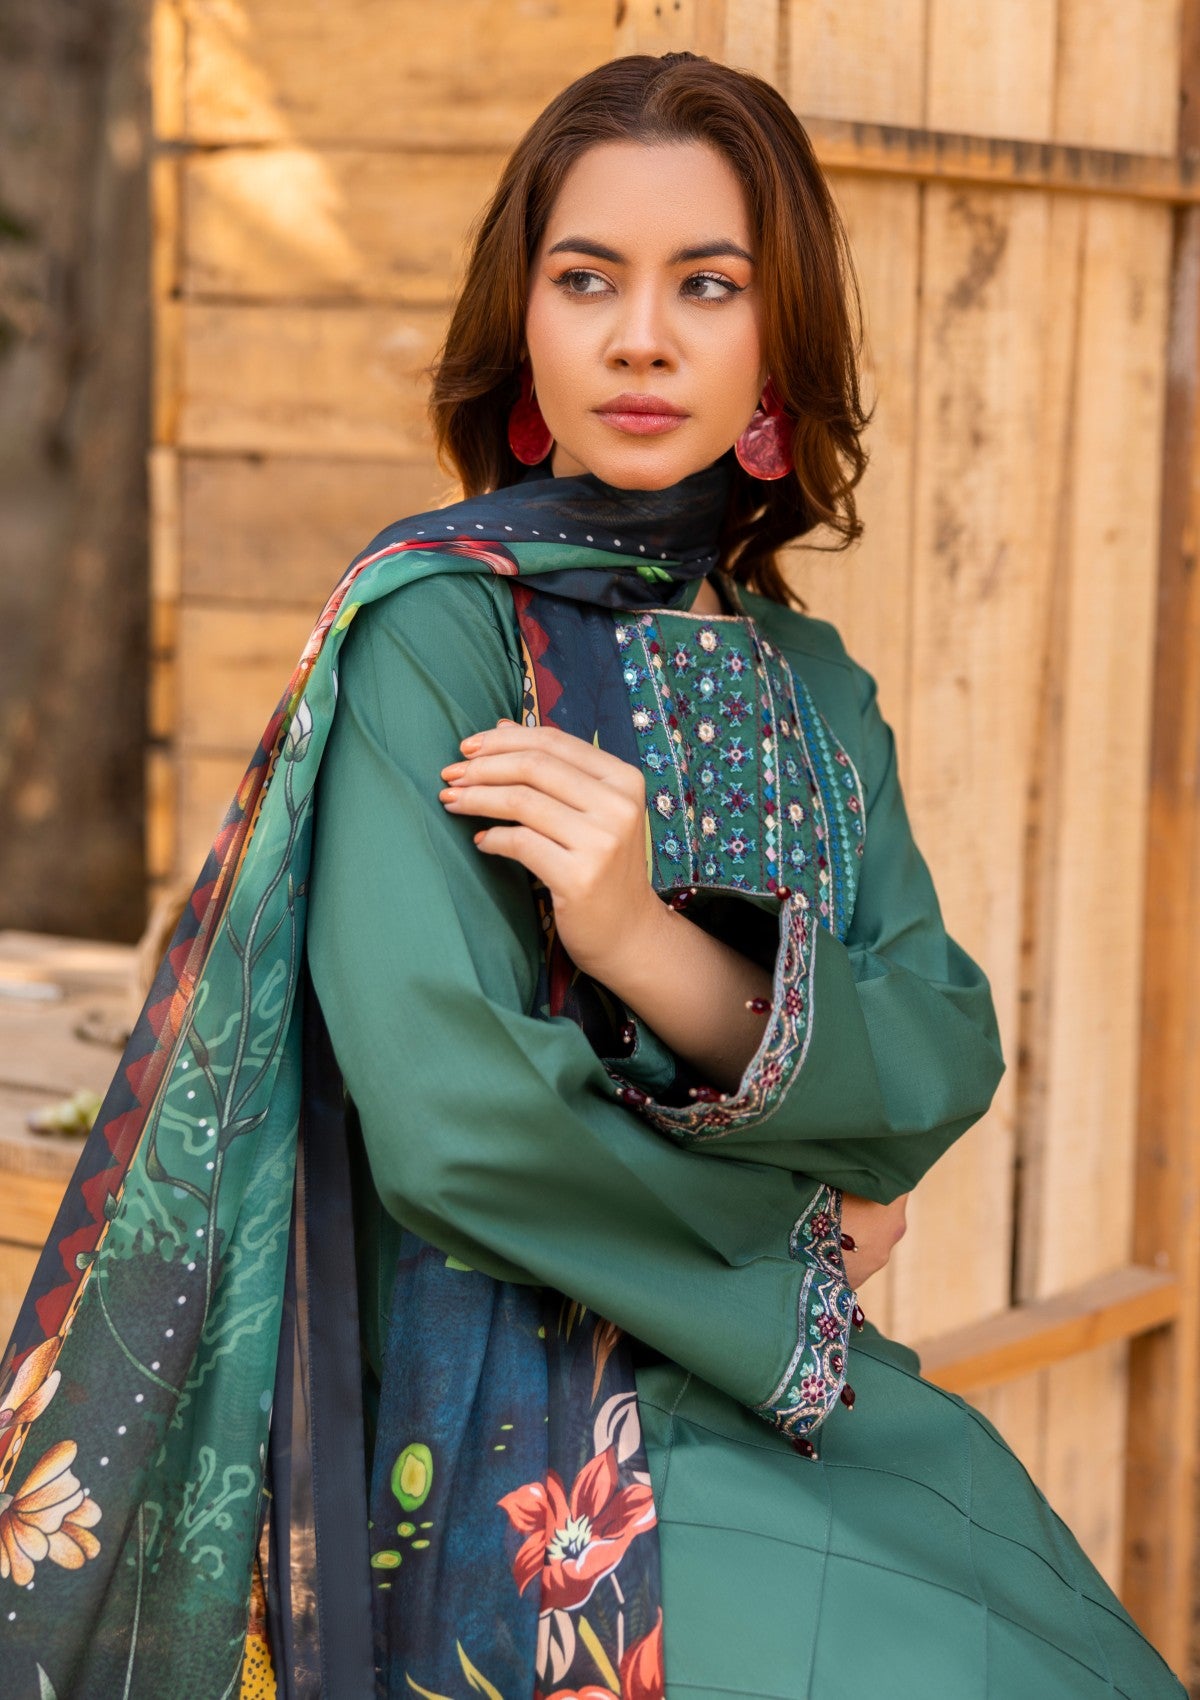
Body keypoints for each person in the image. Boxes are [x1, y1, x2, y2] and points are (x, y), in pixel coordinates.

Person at [0, 50, 1185, 1700]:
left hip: (798, 1393)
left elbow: (936, 1054)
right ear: (527, 331)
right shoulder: (441, 629)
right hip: (540, 1442)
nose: (641, 335)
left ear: (779, 347)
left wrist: (639, 940)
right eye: (587, 279)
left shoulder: (816, 686)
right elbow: (459, 1125)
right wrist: (793, 1239)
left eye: (708, 284)